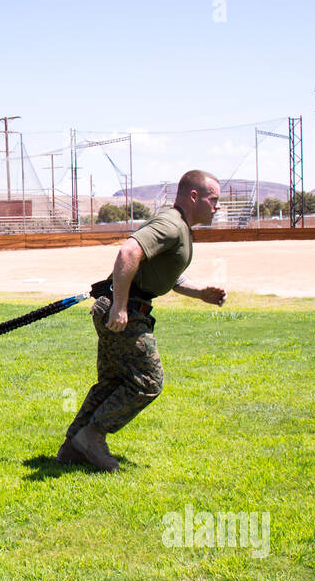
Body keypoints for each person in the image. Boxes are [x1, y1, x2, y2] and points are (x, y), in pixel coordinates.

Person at [59, 170, 227, 471]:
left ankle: (74, 446)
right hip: (125, 310)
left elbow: (168, 276)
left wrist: (200, 293)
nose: (217, 206)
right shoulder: (171, 224)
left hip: (120, 306)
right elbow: (129, 251)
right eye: (213, 199)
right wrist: (120, 307)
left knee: (113, 382)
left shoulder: (180, 229)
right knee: (148, 381)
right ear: (193, 196)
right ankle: (92, 437)